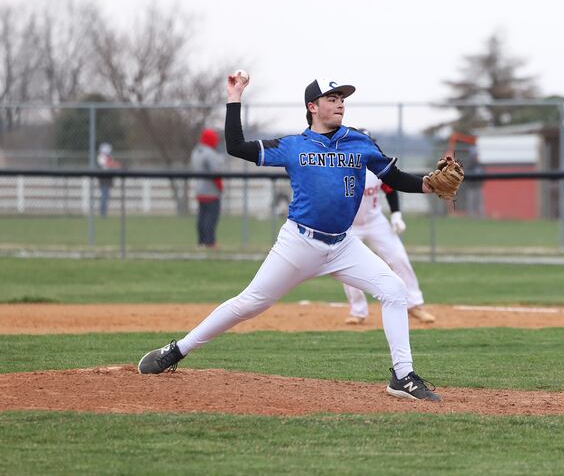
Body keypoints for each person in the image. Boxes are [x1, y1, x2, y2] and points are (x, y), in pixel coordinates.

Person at [137, 74, 442, 401]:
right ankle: (177, 350)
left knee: (394, 289)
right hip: (299, 243)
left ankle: (402, 375)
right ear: (312, 106)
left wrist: (427, 185)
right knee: (249, 304)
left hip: (343, 245)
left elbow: (393, 177)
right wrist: (234, 96)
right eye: (331, 97)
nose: (340, 102)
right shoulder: (293, 146)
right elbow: (236, 147)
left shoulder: (360, 143)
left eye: (342, 98)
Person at [342, 129, 435, 325]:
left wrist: (396, 215)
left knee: (399, 257)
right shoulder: (342, 169)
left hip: (375, 221)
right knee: (347, 266)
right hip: (348, 225)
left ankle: (414, 305)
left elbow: (391, 190)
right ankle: (358, 311)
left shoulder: (377, 169)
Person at [191, 128, 225, 248]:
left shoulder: (196, 152)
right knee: (211, 218)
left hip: (199, 189)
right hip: (211, 191)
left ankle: (201, 241)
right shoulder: (210, 153)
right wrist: (220, 187)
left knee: (202, 217)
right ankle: (209, 242)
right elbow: (215, 173)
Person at [96, 142, 120, 217]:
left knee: (106, 195)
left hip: (108, 178)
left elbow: (111, 164)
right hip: (103, 178)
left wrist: (116, 165)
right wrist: (115, 165)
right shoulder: (101, 157)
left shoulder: (108, 157)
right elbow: (108, 165)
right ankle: (103, 212)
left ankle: (104, 212)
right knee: (104, 195)